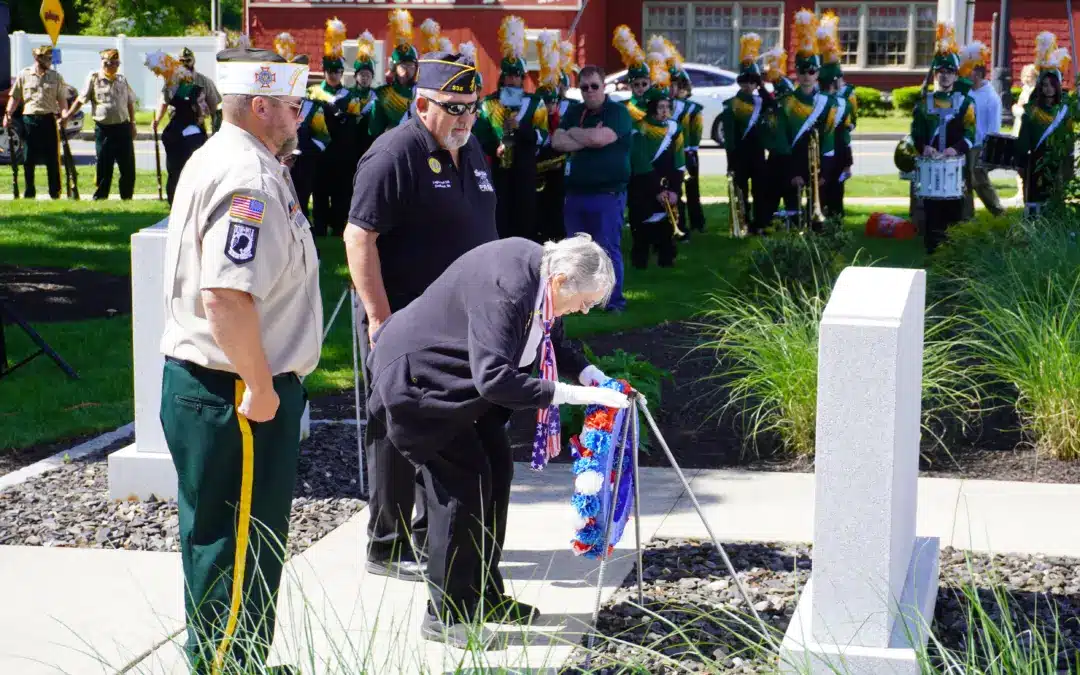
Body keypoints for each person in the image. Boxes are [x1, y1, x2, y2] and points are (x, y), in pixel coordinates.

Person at [365, 234, 629, 646]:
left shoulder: (541, 276)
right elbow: (493, 378)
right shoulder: (507, 287)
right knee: (462, 488)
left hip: (459, 383)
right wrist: (573, 395)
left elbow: (545, 336)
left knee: (496, 473)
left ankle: (482, 596)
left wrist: (586, 371)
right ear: (560, 280)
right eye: (585, 301)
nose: (584, 310)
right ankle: (446, 614)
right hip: (420, 383)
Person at [158, 47, 319, 674]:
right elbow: (225, 295)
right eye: (291, 105)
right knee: (237, 546)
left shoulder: (233, 157)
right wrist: (260, 385)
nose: (300, 115)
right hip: (235, 390)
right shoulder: (248, 177)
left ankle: (233, 658)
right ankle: (230, 665)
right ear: (259, 106)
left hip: (220, 384)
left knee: (228, 541)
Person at [345, 50, 496, 583]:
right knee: (393, 425)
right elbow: (359, 235)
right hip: (403, 319)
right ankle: (386, 543)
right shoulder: (395, 152)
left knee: (450, 424)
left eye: (473, 107)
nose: (464, 118)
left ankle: (432, 534)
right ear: (421, 101)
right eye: (453, 107)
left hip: (459, 324)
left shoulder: (471, 147)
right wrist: (379, 318)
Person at [551, 65, 633, 312]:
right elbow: (557, 141)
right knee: (576, 254)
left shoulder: (617, 112)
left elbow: (601, 139)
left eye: (594, 86)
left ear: (603, 87)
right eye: (584, 88)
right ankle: (578, 303)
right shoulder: (575, 111)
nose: (589, 92)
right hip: (575, 194)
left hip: (608, 194)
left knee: (607, 249)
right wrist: (585, 136)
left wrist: (574, 135)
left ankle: (612, 302)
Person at [757, 10, 833, 232]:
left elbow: (828, 141)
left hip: (817, 167)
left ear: (818, 73)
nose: (807, 76)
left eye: (812, 71)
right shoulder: (786, 102)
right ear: (796, 73)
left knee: (817, 221)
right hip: (790, 167)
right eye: (802, 71)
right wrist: (793, 174)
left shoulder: (828, 103)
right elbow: (781, 142)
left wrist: (824, 174)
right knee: (792, 214)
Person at [474, 15, 547, 240]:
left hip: (525, 167)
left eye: (517, 76)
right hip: (498, 169)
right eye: (509, 76)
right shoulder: (488, 103)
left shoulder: (536, 102)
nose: (512, 80)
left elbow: (542, 136)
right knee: (500, 216)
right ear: (502, 77)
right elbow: (481, 135)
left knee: (525, 216)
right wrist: (493, 147)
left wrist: (521, 129)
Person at [911, 23, 976, 253]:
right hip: (930, 170)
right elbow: (915, 135)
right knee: (932, 220)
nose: (945, 76)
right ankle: (931, 258)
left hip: (954, 168)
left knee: (953, 219)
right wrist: (924, 147)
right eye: (941, 72)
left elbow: (970, 135)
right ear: (935, 74)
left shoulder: (966, 103)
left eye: (949, 72)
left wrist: (953, 149)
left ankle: (952, 263)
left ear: (956, 75)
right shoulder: (923, 104)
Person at [309, 19, 367, 237]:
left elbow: (353, 123)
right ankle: (321, 225)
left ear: (343, 72)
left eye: (337, 70)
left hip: (343, 152)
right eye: (329, 70)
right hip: (320, 151)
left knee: (343, 191)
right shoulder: (314, 93)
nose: (333, 74)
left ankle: (340, 225)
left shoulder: (350, 95)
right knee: (320, 190)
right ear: (324, 71)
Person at [628, 55, 684, 268]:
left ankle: (666, 261)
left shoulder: (675, 128)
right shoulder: (640, 128)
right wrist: (656, 191)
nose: (664, 111)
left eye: (666, 107)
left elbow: (679, 161)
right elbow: (641, 162)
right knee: (641, 228)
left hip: (668, 184)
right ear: (651, 108)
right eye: (659, 107)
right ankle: (640, 262)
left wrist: (675, 190)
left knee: (666, 231)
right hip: (644, 184)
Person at [62, 48, 137, 201]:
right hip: (104, 129)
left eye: (116, 64)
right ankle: (101, 197)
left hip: (122, 127)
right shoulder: (94, 78)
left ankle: (127, 197)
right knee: (104, 165)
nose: (114, 67)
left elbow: (130, 102)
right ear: (104, 63)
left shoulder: (122, 79)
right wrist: (67, 116)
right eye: (111, 64)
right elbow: (81, 100)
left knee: (127, 166)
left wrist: (133, 123)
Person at [1016, 33, 1075, 213]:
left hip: (1058, 163)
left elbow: (1069, 139)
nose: (1048, 89)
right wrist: (1020, 163)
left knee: (1056, 203)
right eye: (1044, 85)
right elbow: (1022, 142)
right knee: (1035, 203)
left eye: (1052, 85)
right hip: (1035, 163)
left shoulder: (1065, 110)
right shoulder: (1031, 112)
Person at [273, 34, 328, 223]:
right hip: (277, 162)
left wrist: (301, 152)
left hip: (304, 164)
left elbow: (323, 138)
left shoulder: (313, 107)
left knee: (301, 205)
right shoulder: (274, 105)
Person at [2, 44, 69, 199]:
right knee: (28, 158)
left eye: (51, 58)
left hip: (49, 119)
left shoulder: (55, 76)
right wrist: (8, 115)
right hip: (29, 120)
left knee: (53, 158)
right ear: (37, 58)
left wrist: (64, 114)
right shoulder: (24, 74)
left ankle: (55, 192)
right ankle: (29, 192)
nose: (50, 61)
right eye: (47, 58)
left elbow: (62, 98)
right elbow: (15, 97)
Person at [720, 34, 770, 234]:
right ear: (740, 82)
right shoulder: (731, 105)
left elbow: (772, 105)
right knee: (741, 191)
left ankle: (760, 223)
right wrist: (730, 162)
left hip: (758, 153)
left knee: (761, 191)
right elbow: (729, 138)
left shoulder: (761, 102)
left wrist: (763, 86)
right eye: (746, 81)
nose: (749, 85)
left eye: (753, 81)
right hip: (740, 154)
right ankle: (743, 223)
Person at [533, 32, 571, 245]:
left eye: (552, 102)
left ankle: (559, 234)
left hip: (559, 169)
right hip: (540, 169)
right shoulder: (536, 116)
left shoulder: (565, 114)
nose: (549, 107)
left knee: (557, 204)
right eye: (546, 103)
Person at [960, 41, 1005, 217]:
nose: (964, 74)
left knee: (979, 180)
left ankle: (998, 212)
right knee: (965, 181)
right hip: (965, 142)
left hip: (979, 144)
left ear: (977, 74)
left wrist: (990, 148)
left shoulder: (991, 97)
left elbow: (994, 127)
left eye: (968, 70)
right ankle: (966, 216)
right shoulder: (967, 92)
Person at [817, 14, 854, 220]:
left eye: (835, 81)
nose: (833, 86)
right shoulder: (817, 101)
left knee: (836, 194)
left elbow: (848, 131)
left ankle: (836, 226)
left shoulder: (845, 100)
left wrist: (848, 163)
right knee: (819, 193)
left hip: (839, 152)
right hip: (820, 152)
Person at [670, 46, 706, 234]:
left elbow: (696, 131)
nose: (671, 88)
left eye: (674, 84)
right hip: (671, 153)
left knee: (693, 190)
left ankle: (698, 222)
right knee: (675, 191)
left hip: (688, 152)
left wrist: (691, 150)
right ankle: (677, 222)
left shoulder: (692, 108)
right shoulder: (662, 106)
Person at [369, 9, 419, 139]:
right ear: (394, 67)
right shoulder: (382, 94)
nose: (407, 69)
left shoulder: (422, 92)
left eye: (411, 65)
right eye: (403, 65)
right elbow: (374, 132)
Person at [153, 47, 222, 137]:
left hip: (197, 127)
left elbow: (214, 108)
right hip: (176, 126)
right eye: (182, 61)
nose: (185, 63)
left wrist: (215, 131)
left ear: (193, 61)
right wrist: (157, 120)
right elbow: (164, 103)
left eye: (188, 60)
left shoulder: (204, 82)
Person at [1011, 63, 1039, 205]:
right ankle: (1019, 192)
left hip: (1026, 127)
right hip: (1018, 127)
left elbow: (1026, 111)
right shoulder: (1024, 90)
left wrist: (1017, 108)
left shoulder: (1035, 92)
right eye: (1026, 76)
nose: (1027, 79)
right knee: (1017, 162)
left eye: (1030, 76)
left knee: (1026, 164)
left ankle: (1025, 192)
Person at [612, 25, 649, 123]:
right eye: (636, 84)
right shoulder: (623, 107)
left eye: (644, 84)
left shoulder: (658, 105)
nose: (641, 87)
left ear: (650, 83)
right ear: (630, 86)